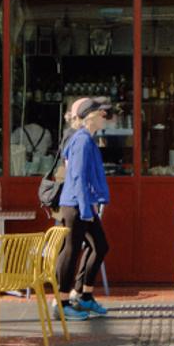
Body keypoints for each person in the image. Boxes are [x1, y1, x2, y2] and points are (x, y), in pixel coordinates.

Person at [52, 92, 113, 319]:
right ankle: (61, 302)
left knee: (100, 246)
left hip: (83, 203)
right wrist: (86, 209)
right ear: (89, 116)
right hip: (76, 205)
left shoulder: (88, 139)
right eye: (100, 112)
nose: (104, 115)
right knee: (71, 251)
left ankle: (84, 295)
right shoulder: (82, 141)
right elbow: (77, 176)